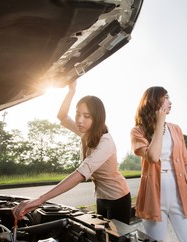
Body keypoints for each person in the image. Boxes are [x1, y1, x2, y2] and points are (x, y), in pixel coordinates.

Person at [13, 81, 131, 224]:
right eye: (78, 114)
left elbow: (81, 174)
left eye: (87, 116)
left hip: (118, 198)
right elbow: (62, 116)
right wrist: (71, 91)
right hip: (101, 197)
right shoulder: (87, 132)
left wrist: (40, 199)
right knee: (102, 238)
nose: (80, 120)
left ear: (97, 118)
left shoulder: (106, 142)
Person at [130, 86, 187, 242]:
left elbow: (186, 164)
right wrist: (159, 123)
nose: (170, 102)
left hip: (182, 195)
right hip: (153, 198)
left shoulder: (176, 129)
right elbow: (153, 156)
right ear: (154, 101)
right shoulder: (137, 131)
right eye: (166, 97)